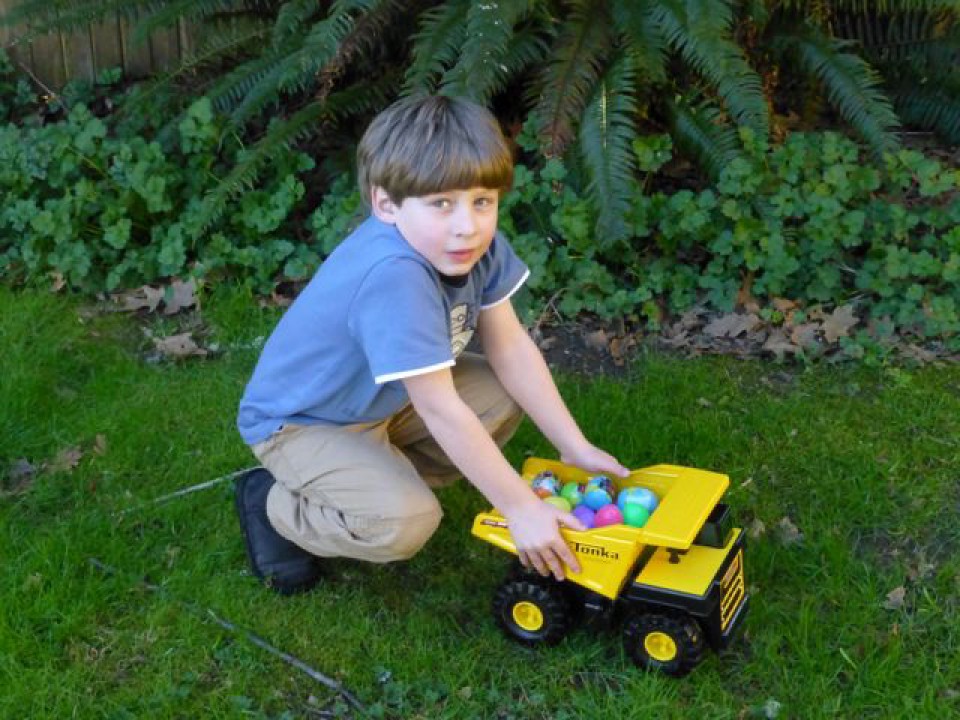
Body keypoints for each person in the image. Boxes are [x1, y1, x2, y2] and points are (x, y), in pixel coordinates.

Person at [235, 94, 628, 595]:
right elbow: (440, 408)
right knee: (405, 523)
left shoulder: (472, 245)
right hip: (304, 423)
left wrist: (574, 446)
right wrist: (521, 507)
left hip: (381, 402)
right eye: (442, 203)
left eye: (482, 201)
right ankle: (274, 505)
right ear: (386, 203)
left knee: (499, 393)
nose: (467, 225)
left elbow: (510, 348)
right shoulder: (394, 276)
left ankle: (374, 478)